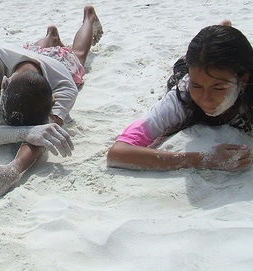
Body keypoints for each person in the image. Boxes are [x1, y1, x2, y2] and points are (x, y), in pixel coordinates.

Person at [0, 6, 104, 198]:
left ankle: (89, 18)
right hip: (25, 53)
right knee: (37, 51)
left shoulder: (65, 87)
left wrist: (14, 169)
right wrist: (26, 132)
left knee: (77, 54)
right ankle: (51, 35)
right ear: (5, 82)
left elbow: (46, 133)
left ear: (53, 99)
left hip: (63, 66)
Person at [107, 22, 253, 171]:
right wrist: (202, 160)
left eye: (218, 88)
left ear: (243, 81)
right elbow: (118, 153)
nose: (205, 98)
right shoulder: (182, 98)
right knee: (186, 65)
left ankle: (225, 30)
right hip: (183, 70)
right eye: (197, 86)